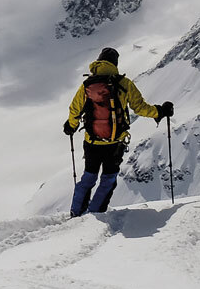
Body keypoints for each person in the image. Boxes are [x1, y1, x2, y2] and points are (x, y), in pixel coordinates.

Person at [63, 47, 174, 218]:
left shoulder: (87, 85)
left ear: (99, 61)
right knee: (108, 178)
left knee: (88, 177)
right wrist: (160, 112)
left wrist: (71, 125)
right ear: (115, 64)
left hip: (91, 141)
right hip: (115, 142)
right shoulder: (124, 83)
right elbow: (141, 108)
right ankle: (95, 213)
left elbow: (75, 110)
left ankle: (76, 212)